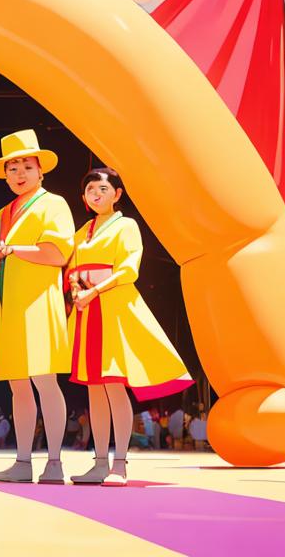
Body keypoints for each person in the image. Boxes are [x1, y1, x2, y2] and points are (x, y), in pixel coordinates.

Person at [66, 167, 193, 486]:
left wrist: (92, 291)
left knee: (113, 384)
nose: (96, 194)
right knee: (93, 389)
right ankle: (99, 462)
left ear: (117, 194)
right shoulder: (81, 233)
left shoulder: (127, 226)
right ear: (84, 198)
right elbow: (71, 269)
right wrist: (74, 290)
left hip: (112, 308)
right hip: (85, 313)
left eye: (103, 189)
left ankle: (119, 464)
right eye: (91, 189)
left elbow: (128, 270)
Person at [0, 130, 74, 484]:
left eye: (26, 166)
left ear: (40, 171)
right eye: (12, 168)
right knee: (18, 386)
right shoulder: (2, 213)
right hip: (8, 307)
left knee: (45, 382)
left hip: (38, 304)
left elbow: (58, 252)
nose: (19, 174)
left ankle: (54, 462)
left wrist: (15, 249)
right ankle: (22, 462)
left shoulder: (54, 204)